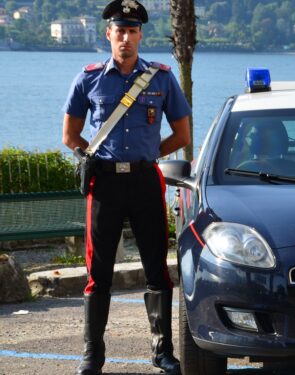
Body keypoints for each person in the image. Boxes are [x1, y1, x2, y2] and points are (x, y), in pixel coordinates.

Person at [61, 1, 190, 374]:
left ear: (140, 35)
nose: (127, 38)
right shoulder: (88, 78)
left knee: (157, 270)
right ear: (108, 34)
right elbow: (70, 135)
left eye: (133, 31)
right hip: (105, 185)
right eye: (120, 31)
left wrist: (149, 153)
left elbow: (181, 135)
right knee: (98, 272)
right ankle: (92, 355)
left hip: (146, 180)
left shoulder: (162, 78)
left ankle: (162, 352)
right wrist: (90, 156)